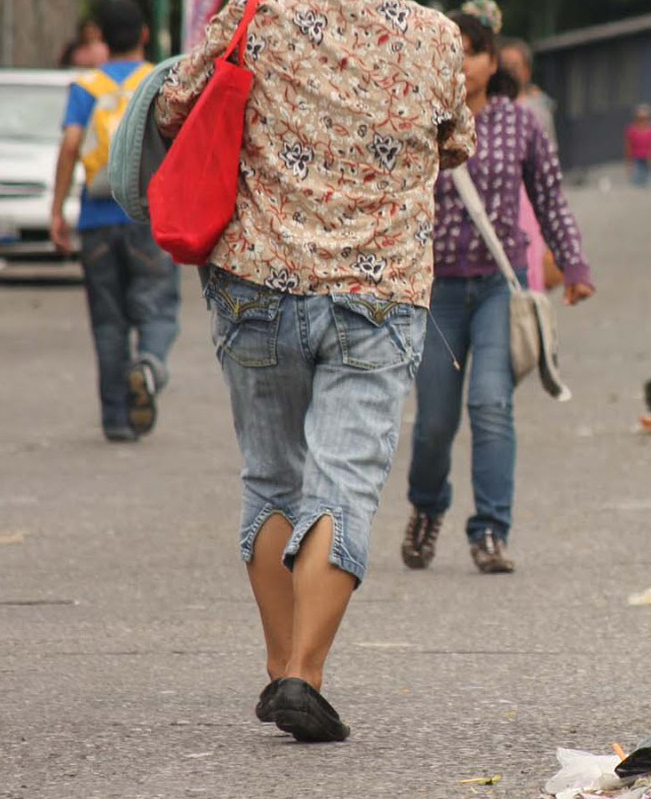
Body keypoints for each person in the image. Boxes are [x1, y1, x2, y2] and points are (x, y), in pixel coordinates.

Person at [154, 0, 475, 742]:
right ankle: (304, 673)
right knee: (343, 485)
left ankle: (277, 668)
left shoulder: (256, 12)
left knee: (270, 477)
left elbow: (175, 106)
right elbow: (454, 142)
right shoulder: (436, 35)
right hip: (378, 292)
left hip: (257, 280)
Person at [403, 4, 594, 576]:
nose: (460, 63)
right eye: (450, 51)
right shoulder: (415, 116)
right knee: (435, 422)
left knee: (491, 403)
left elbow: (550, 197)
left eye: (471, 51)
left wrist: (575, 264)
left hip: (497, 289)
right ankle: (427, 507)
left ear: (492, 60)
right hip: (434, 291)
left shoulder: (520, 122)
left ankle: (489, 530)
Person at [51, 0, 179, 443]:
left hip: (97, 218)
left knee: (108, 322)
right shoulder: (160, 80)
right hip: (150, 216)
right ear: (145, 35)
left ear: (101, 38)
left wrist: (58, 210)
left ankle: (116, 420)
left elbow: (71, 145)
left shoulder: (87, 86)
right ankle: (149, 365)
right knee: (158, 306)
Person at [498, 36, 562, 292]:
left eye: (516, 67)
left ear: (526, 71)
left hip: (528, 197)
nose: (510, 73)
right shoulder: (485, 109)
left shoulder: (537, 109)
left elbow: (550, 159)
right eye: (505, 66)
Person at [625, 103, 651, 188]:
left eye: (645, 118)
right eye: (640, 118)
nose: (643, 120)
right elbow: (628, 146)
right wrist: (629, 163)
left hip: (649, 159)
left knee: (648, 183)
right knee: (636, 182)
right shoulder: (632, 130)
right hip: (637, 159)